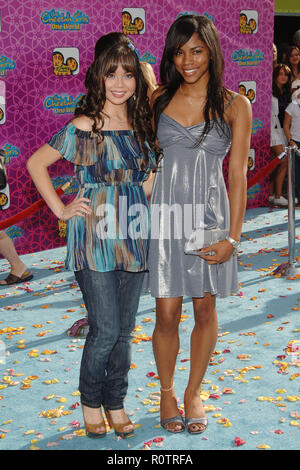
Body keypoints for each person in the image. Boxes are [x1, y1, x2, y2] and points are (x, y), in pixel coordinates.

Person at [27, 32, 159, 439]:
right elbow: (35, 163)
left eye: (129, 75)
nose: (120, 83)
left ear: (138, 79)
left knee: (125, 327)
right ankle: (90, 401)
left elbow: (149, 179)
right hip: (93, 239)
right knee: (104, 328)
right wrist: (62, 209)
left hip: (134, 234)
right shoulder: (86, 125)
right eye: (112, 74)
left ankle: (116, 401)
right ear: (98, 78)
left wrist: (136, 197)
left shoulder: (142, 124)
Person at [147, 15, 252, 434]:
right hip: (168, 219)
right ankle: (167, 392)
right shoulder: (157, 99)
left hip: (210, 219)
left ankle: (193, 392)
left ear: (211, 50)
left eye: (196, 50)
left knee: (205, 310)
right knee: (166, 313)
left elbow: (239, 176)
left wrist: (233, 238)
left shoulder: (234, 104)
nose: (187, 60)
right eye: (179, 51)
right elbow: (147, 159)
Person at [269, 64, 292, 206]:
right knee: (283, 161)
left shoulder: (287, 93)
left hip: (281, 131)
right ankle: (277, 195)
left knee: (275, 162)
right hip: (271, 129)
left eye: (286, 74)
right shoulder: (269, 90)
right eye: (280, 73)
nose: (283, 76)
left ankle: (271, 194)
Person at [283, 89, 300, 204]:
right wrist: (290, 141)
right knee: (297, 172)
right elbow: (286, 125)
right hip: (296, 142)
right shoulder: (292, 106)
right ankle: (298, 197)